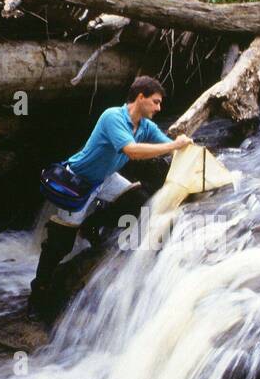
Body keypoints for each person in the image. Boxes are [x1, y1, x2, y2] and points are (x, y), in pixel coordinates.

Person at [28, 76, 192, 318]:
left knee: (141, 202)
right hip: (79, 182)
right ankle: (38, 294)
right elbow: (132, 151)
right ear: (140, 98)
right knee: (59, 244)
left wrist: (189, 153)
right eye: (155, 102)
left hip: (106, 178)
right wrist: (173, 146)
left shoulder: (145, 126)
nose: (159, 108)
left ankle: (92, 225)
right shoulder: (112, 117)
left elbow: (168, 145)